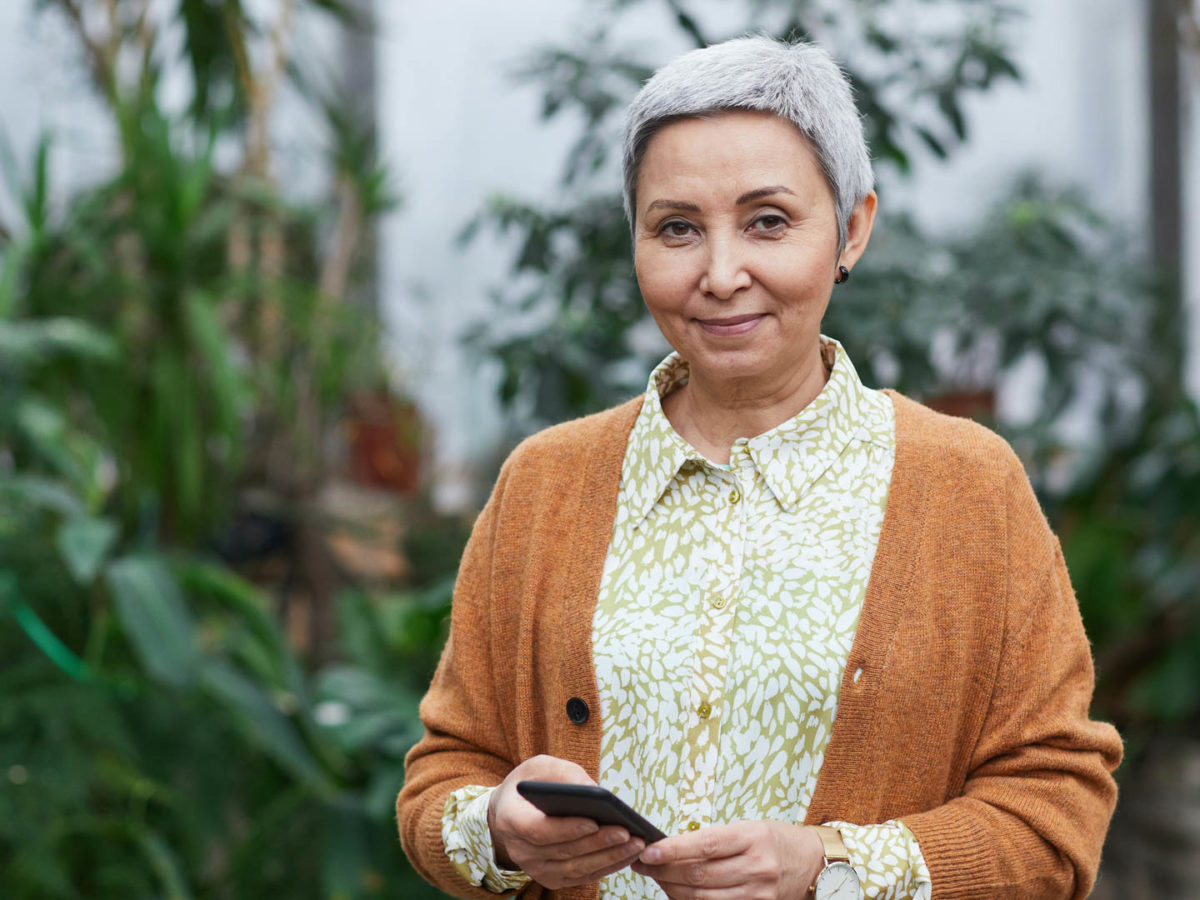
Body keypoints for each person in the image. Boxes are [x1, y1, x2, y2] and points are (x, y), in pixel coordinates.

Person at [397, 35, 1122, 900]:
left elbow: (1057, 812)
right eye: (676, 229)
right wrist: (499, 832)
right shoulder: (547, 483)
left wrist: (833, 868)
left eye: (768, 221)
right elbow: (444, 775)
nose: (721, 273)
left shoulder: (967, 487)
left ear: (852, 228)